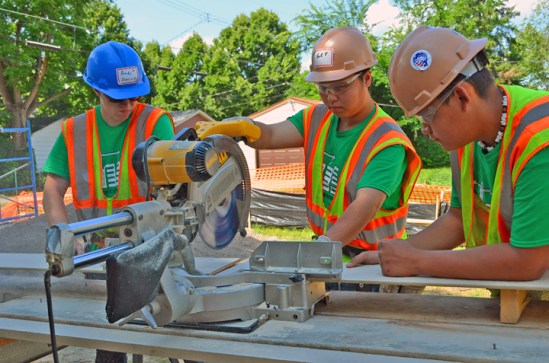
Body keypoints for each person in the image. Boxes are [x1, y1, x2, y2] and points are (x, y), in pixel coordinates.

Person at [348, 26, 549, 282]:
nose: (425, 130)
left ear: (462, 97)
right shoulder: (467, 138)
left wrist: (416, 261)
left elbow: (527, 262)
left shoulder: (539, 140)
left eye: (427, 115)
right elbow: (457, 220)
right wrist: (400, 252)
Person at [226, 26, 422, 286]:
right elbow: (270, 135)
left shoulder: (387, 142)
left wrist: (319, 250)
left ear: (367, 79)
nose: (330, 97)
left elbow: (365, 206)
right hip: (329, 254)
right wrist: (244, 128)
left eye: (340, 87)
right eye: (322, 88)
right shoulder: (317, 118)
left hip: (372, 267)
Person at [42, 40, 174, 363]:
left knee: (182, 336)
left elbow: (176, 192)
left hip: (156, 252)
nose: (128, 104)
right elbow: (52, 189)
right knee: (112, 342)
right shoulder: (75, 131)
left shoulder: (155, 123)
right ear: (96, 92)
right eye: (118, 97)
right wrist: (63, 233)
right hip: (105, 259)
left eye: (134, 95)